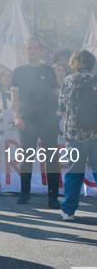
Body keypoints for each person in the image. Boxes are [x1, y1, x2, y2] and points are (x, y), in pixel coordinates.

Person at [11, 37, 61, 208]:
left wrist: (66, 114)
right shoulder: (18, 72)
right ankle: (25, 193)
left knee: (52, 158)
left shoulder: (49, 70)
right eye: (29, 48)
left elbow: (57, 93)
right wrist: (17, 116)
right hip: (27, 119)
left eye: (35, 48)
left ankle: (53, 197)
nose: (32, 50)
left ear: (40, 50)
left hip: (48, 119)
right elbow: (14, 96)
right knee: (27, 157)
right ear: (25, 50)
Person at [58, 49, 97, 220]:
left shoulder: (69, 80)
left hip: (75, 135)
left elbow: (62, 105)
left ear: (74, 63)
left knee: (74, 172)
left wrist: (70, 122)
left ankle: (68, 211)